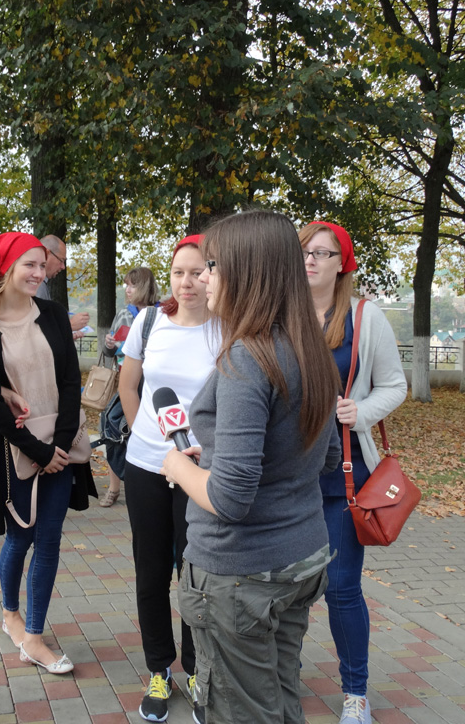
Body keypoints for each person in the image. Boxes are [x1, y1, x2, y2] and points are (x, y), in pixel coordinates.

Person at [161, 210, 342, 724]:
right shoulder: (310, 348)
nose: (203, 278)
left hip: (241, 573)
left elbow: (231, 499)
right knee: (280, 700)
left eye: (212, 265)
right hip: (299, 558)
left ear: (247, 271)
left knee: (243, 712)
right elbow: (323, 457)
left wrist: (177, 465)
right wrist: (217, 459)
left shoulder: (247, 358)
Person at [299, 221, 407, 724]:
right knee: (288, 585)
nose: (311, 260)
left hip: (344, 473)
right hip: (290, 474)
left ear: (342, 263)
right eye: (305, 251)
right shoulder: (282, 312)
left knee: (341, 587)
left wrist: (359, 412)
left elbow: (394, 385)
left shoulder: (365, 316)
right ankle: (282, 673)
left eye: (322, 253)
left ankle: (355, 694)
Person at [0, 231, 97, 676]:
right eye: (29, 264)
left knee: (49, 539)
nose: (38, 273)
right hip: (16, 449)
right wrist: (37, 450)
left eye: (41, 265)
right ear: (6, 268)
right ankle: (9, 613)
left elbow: (70, 381)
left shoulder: (52, 314)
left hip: (60, 447)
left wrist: (59, 447)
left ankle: (33, 636)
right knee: (20, 537)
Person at [116, 237, 217, 723]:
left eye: (197, 272)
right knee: (151, 571)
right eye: (179, 272)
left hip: (200, 469)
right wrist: (144, 435)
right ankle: (159, 669)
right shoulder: (149, 321)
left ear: (214, 274)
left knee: (194, 573)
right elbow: (127, 384)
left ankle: (197, 670)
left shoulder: (228, 327)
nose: (187, 282)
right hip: (146, 466)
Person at [98, 266, 159, 507]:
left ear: (144, 286)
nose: (127, 289)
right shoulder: (124, 313)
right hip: (125, 382)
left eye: (132, 285)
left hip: (152, 385)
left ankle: (149, 484)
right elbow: (109, 352)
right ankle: (114, 489)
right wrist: (109, 344)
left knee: (148, 432)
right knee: (113, 431)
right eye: (126, 285)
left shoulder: (162, 314)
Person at [36, 234, 89, 335]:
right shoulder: (36, 285)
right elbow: (37, 329)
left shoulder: (41, 284)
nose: (63, 267)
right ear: (47, 254)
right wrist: (69, 325)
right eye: (61, 260)